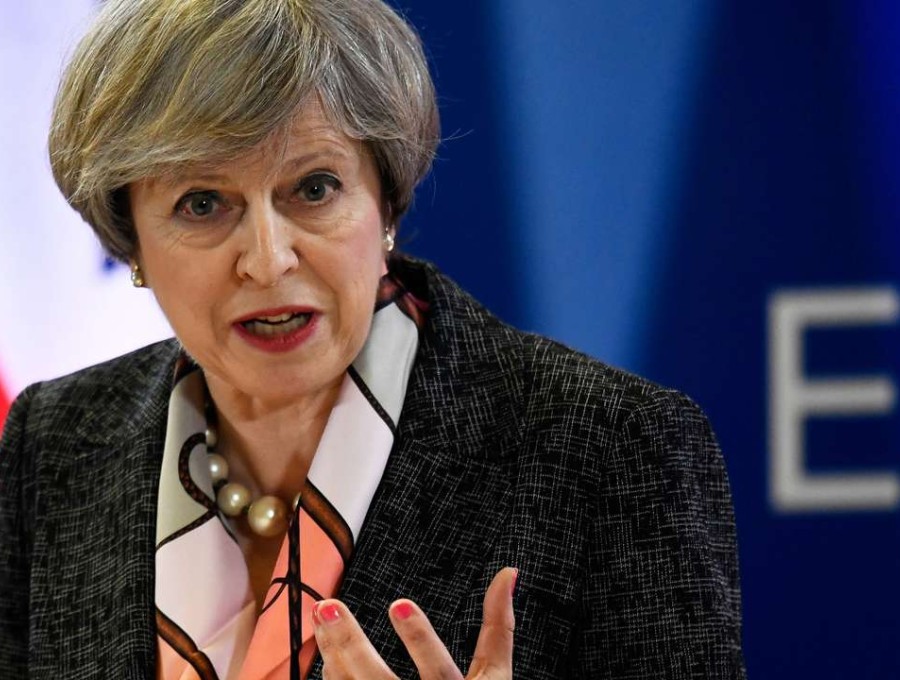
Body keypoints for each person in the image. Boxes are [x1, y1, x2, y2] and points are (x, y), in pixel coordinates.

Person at [0, 0, 746, 678]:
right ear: (129, 240)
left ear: (385, 201)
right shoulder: (53, 443)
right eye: (202, 204)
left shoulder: (608, 446)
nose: (268, 260)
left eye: (314, 188)